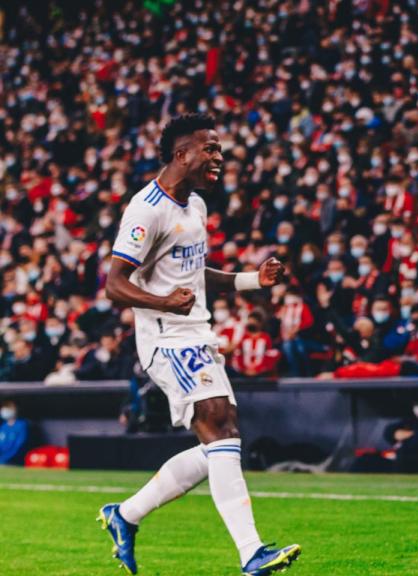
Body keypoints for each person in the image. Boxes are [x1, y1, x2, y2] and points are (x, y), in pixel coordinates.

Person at [100, 115, 299, 576]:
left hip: (196, 333)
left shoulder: (195, 207)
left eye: (219, 148)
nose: (218, 157)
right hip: (166, 338)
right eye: (209, 149)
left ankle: (125, 515)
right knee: (219, 426)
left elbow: (192, 276)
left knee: (221, 441)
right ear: (181, 154)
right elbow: (114, 284)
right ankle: (251, 553)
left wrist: (252, 280)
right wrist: (163, 302)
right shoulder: (146, 209)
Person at [0, 399, 29, 466]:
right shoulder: (3, 427)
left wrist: (3, 459)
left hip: (15, 461)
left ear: (15, 409)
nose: (4, 410)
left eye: (8, 408)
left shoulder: (22, 425)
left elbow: (19, 446)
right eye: (4, 408)